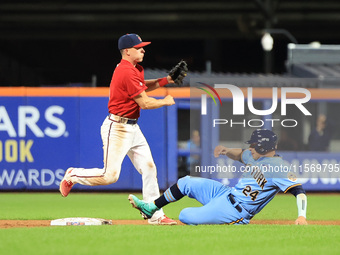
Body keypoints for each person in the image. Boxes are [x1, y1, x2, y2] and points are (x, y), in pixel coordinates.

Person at [59, 33, 187, 225]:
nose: (143, 49)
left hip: (133, 128)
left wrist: (166, 80)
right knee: (110, 176)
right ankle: (73, 175)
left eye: (143, 46)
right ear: (127, 51)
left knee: (149, 168)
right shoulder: (126, 71)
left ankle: (155, 215)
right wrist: (165, 101)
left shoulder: (133, 69)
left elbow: (142, 87)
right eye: (139, 47)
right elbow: (143, 102)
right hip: (117, 127)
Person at [128, 129, 308, 225]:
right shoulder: (254, 156)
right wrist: (227, 151)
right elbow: (240, 154)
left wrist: (302, 216)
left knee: (185, 215)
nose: (250, 148)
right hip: (224, 193)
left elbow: (299, 192)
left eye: (253, 145)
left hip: (236, 211)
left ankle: (219, 216)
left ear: (264, 146)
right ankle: (151, 208)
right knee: (186, 182)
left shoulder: (280, 168)